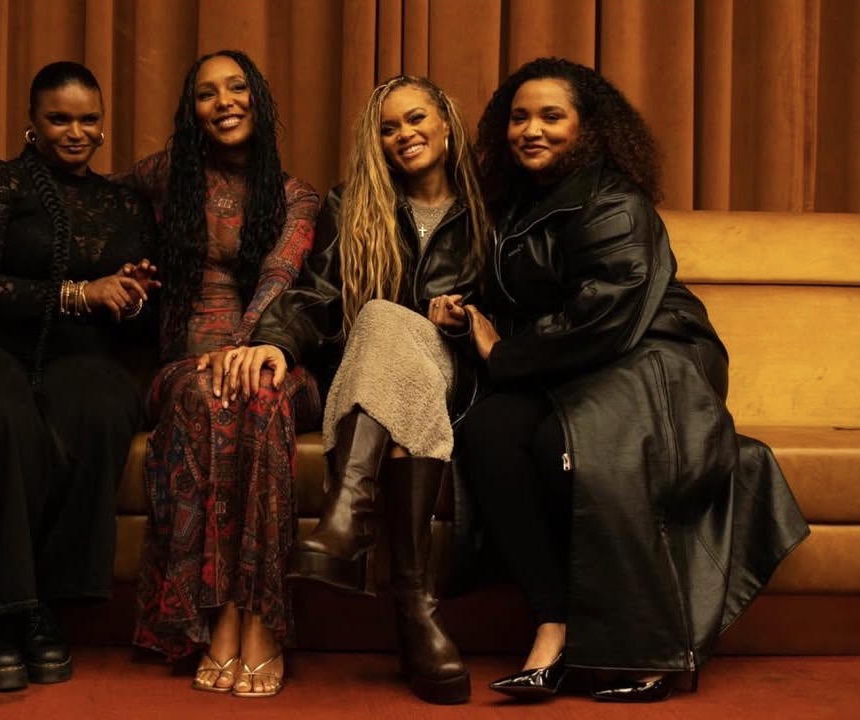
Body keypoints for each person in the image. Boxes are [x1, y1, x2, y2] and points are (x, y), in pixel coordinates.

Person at [457, 56, 810, 703]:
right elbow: (526, 294)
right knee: (488, 432)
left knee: (569, 450)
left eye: (551, 116)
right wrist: (463, 313)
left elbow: (605, 312)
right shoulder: (513, 203)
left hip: (653, 355)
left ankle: (646, 645)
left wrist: (503, 353)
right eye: (518, 117)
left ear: (587, 127)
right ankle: (554, 622)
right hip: (574, 362)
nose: (530, 130)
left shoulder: (612, 199)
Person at [0, 61, 160, 692]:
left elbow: (141, 317)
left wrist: (131, 296)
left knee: (102, 404)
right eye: (59, 119)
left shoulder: (123, 204)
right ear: (32, 123)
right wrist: (78, 292)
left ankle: (45, 606)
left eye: (88, 119)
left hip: (71, 358)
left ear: (103, 125)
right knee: (0, 413)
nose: (76, 132)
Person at [240, 75, 488, 705]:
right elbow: (319, 293)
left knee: (380, 317)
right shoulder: (352, 203)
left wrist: (464, 320)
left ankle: (346, 519)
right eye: (388, 128)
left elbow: (519, 301)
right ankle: (415, 608)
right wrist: (278, 342)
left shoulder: (491, 206)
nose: (405, 135)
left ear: (446, 121)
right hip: (379, 384)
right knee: (380, 327)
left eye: (416, 119)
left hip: (459, 375)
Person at [110, 50, 321, 698]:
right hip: (183, 368)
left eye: (237, 88)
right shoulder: (167, 176)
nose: (224, 102)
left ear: (258, 99)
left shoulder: (296, 196)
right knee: (209, 397)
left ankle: (257, 619)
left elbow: (280, 278)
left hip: (271, 357)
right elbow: (90, 191)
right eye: (207, 93)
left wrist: (245, 346)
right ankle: (225, 614)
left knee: (259, 394)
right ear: (192, 111)